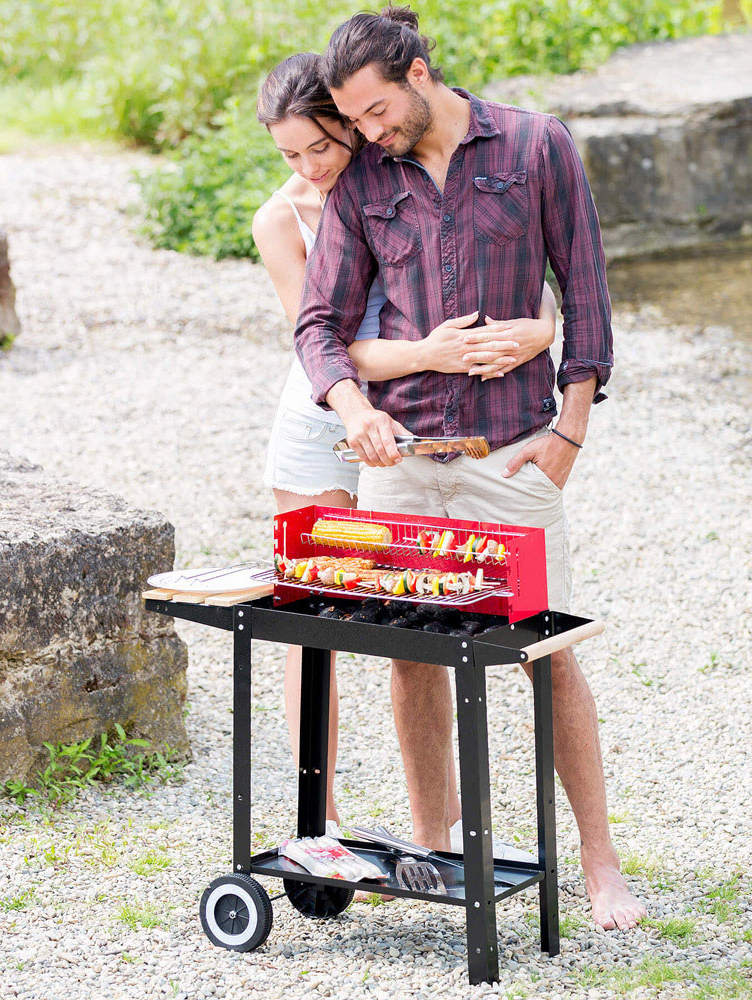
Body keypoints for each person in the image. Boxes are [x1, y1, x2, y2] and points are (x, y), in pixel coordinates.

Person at [294, 7, 647, 930]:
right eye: (352, 118)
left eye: (374, 111)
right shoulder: (363, 183)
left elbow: (588, 294)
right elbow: (317, 325)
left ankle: (601, 865)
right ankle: (438, 847)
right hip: (404, 463)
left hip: (511, 456)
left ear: (417, 72)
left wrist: (567, 437)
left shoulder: (536, 147)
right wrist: (355, 408)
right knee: (411, 658)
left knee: (551, 655)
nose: (364, 134)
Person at [252, 52, 558, 835]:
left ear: (354, 122)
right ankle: (315, 821)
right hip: (327, 421)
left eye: (324, 145)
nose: (311, 167)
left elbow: (523, 280)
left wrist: (543, 330)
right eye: (290, 154)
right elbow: (323, 344)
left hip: (421, 420)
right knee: (310, 613)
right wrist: (429, 353)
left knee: (423, 617)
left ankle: (441, 824)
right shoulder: (280, 220)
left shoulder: (405, 177)